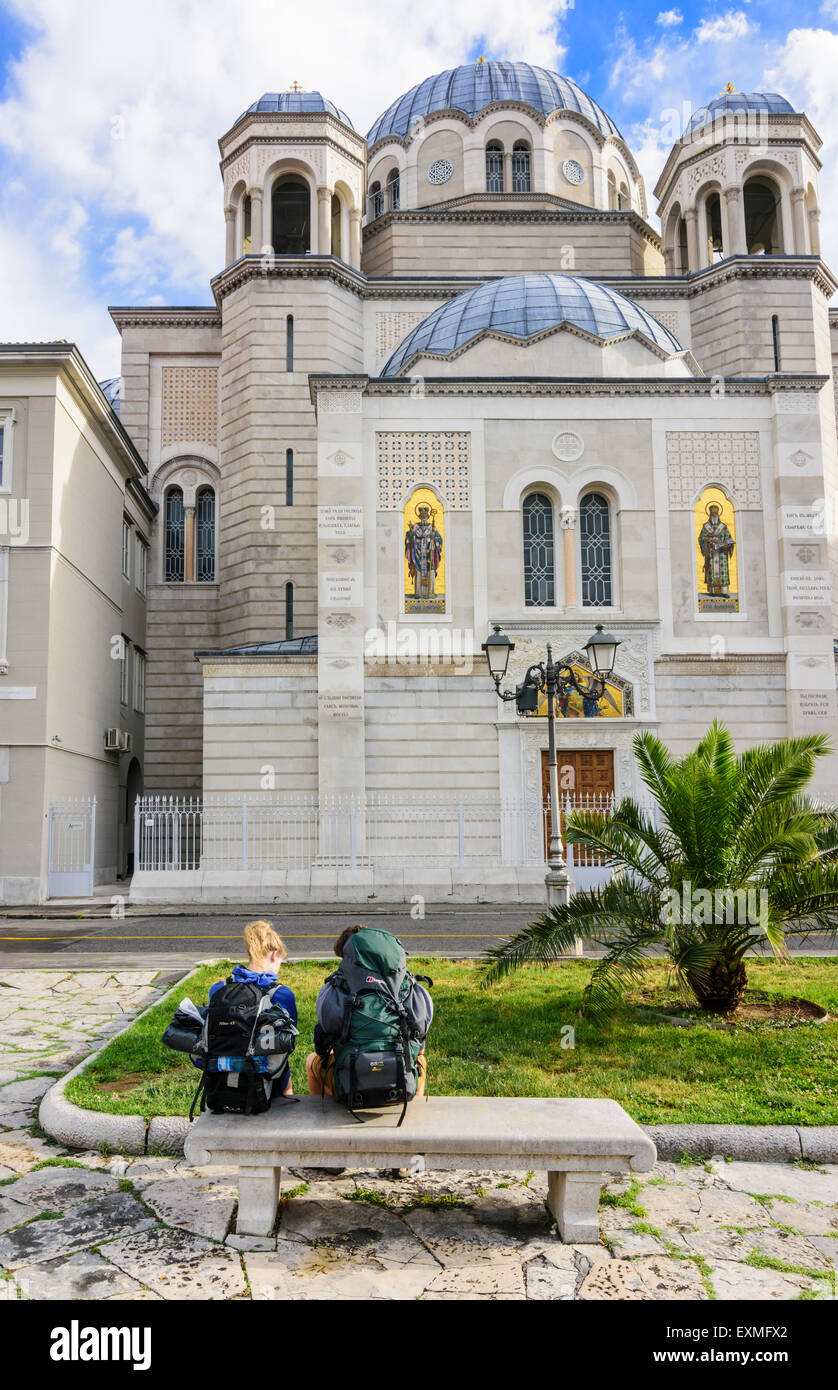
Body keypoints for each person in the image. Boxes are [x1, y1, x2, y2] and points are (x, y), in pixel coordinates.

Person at [306, 924, 428, 1101]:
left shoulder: (337, 989)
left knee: (312, 1061)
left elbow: (321, 1050)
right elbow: (420, 1050)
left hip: (351, 1091)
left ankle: (323, 1115)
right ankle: (413, 1113)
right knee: (422, 1062)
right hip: (399, 1085)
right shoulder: (406, 987)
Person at [210, 919, 297, 1097]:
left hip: (220, 1082)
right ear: (274, 954)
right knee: (286, 1079)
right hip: (265, 1082)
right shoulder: (281, 994)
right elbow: (289, 1041)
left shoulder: (218, 989)